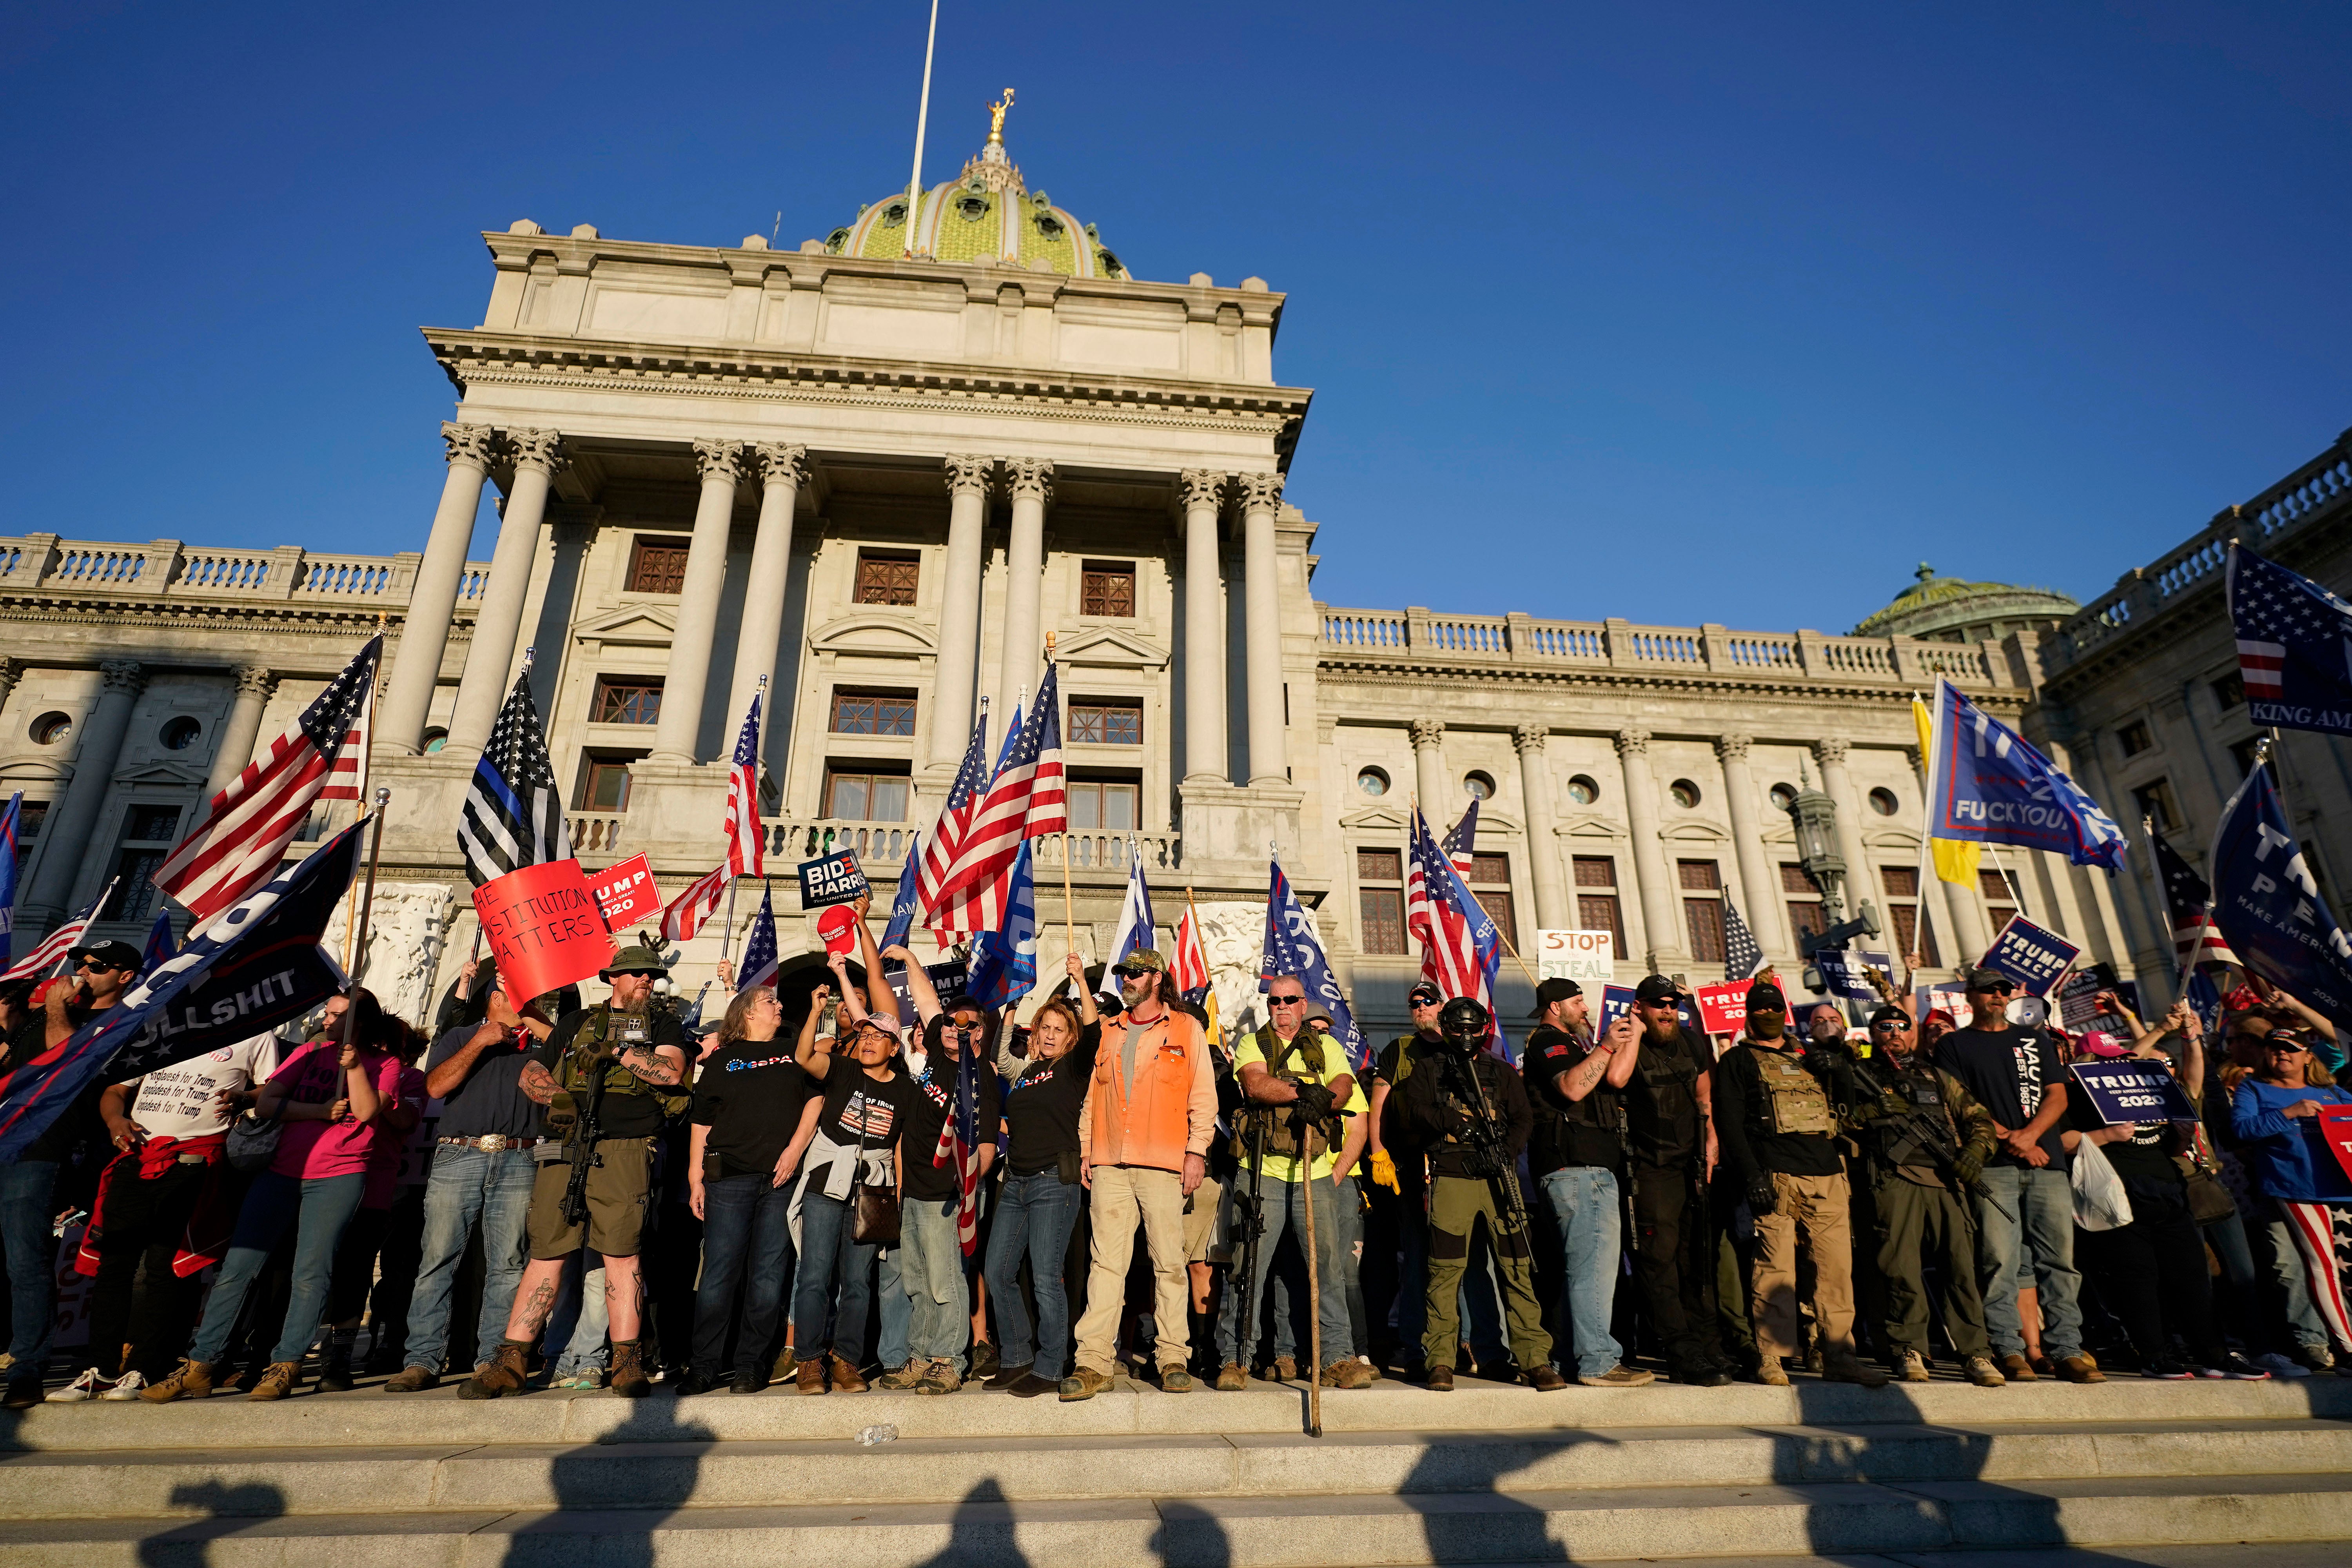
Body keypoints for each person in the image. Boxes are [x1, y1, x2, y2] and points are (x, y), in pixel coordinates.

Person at [143, 990, 407, 1403]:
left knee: (311, 1272)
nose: (325, 1019)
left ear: (358, 1024)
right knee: (238, 1268)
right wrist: (317, 1111)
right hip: (282, 1171)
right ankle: (201, 1364)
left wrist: (355, 1068)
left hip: (338, 1175)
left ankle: (287, 1362)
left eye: (336, 1015)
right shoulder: (307, 1054)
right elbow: (266, 1102)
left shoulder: (386, 1063)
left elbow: (370, 1110)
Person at [458, 944, 688, 1400]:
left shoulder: (664, 1023)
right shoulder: (576, 1022)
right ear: (612, 978)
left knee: (622, 1254)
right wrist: (556, 1097)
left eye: (650, 974)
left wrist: (619, 1052)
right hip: (565, 1145)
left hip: (625, 1147)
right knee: (547, 1251)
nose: (646, 979)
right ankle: (511, 1360)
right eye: (635, 973)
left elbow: (671, 1074)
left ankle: (626, 1361)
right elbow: (532, 1073)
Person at [45, 1026, 279, 1402]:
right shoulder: (165, 1023)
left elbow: (273, 1088)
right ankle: (102, 1370)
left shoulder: (255, 1031)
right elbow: (116, 1090)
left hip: (194, 1161)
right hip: (135, 1158)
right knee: (115, 1266)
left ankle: (149, 1366)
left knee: (166, 1265)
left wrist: (243, 1096)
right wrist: (115, 1121)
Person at [1711, 977, 1887, 1388]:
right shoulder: (1738, 1061)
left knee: (1835, 1271)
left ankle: (1839, 1353)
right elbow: (1731, 1124)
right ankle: (1772, 1357)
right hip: (1776, 1175)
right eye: (1760, 1009)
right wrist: (1752, 1174)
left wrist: (1839, 1070)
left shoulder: (1810, 1055)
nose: (1768, 1015)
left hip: (1827, 1173)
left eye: (1775, 1009)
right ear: (1749, 1015)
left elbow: (1845, 1113)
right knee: (1775, 1270)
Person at [384, 968, 553, 1392]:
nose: (532, 1001)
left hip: (520, 1155)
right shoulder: (460, 1036)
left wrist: (532, 1016)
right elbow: (436, 1087)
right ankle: (422, 1358)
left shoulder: (541, 1042)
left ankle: (493, 1359)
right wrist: (480, 1041)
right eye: (521, 994)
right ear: (497, 997)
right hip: (459, 1152)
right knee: (438, 1259)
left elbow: (568, 1050)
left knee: (507, 1264)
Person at [1935, 966, 2103, 1385]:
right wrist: (2012, 1139)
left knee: (2060, 1262)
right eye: (1988, 990)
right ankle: (2007, 1348)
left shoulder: (2035, 1039)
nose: (1997, 996)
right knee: (2000, 1260)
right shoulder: (1953, 1044)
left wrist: (2029, 1137)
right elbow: (1958, 1103)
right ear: (1969, 996)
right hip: (1994, 1167)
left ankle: (2066, 1349)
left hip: (2046, 1165)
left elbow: (2057, 1094)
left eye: (2003, 990)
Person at [2065, 1028, 2264, 1379]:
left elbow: (2168, 1146)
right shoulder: (2075, 1094)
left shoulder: (2147, 1090)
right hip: (2117, 1194)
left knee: (2191, 1276)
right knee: (2138, 1278)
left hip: (2168, 1189)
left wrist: (2182, 1138)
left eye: (2120, 1058)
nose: (2118, 1065)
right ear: (2087, 1064)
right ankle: (2154, 1354)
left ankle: (2214, 1353)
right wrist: (2106, 1135)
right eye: (2107, 1060)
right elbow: (2063, 1141)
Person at [1389, 997, 1564, 1392]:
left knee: (1517, 1268)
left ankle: (1535, 1358)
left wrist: (1508, 1148)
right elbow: (1412, 1111)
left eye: (1473, 1028)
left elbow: (1523, 1118)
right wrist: (1450, 1120)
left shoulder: (1501, 1072)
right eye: (1457, 1028)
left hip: (1499, 1180)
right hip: (1452, 1177)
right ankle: (1440, 1359)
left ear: (1484, 1028)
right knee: (1445, 1272)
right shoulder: (1428, 1070)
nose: (1466, 1037)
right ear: (1446, 1029)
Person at [1064, 949, 1216, 1401]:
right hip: (1111, 1162)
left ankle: (1173, 1357)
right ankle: (1093, 1360)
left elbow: (1203, 1097)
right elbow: (1093, 1097)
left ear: (1157, 978)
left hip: (1165, 1163)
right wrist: (1088, 1151)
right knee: (1106, 1264)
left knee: (1169, 1263)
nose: (1127, 980)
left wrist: (1197, 1152)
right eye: (1123, 974)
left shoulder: (1187, 1028)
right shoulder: (1109, 1031)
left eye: (1134, 973)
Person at [1212, 972, 1370, 1392]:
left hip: (1314, 1173)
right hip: (1262, 1170)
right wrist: (1304, 1094)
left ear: (1304, 1005)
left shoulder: (1327, 1046)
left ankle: (1337, 1356)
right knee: (1249, 1269)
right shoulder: (1254, 1042)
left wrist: (1325, 1097)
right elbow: (1255, 1082)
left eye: (1290, 999)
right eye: (1275, 999)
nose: (1281, 1005)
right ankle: (1236, 1357)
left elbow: (1344, 1084)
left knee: (1328, 1270)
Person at [3, 942, 139, 1408]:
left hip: (42, 1149)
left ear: (124, 976)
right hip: (6, 1136)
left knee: (26, 1260)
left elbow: (71, 1065)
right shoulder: (44, 1015)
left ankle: (27, 1366)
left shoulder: (116, 1022)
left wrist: (60, 1009)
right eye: (81, 963)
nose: (82, 971)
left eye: (96, 967)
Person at [1853, 1003, 2005, 1387]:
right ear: (1873, 1033)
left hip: (1945, 1180)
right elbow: (1834, 1119)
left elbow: (1980, 1120)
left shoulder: (1937, 1076)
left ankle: (1975, 1352)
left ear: (1914, 1032)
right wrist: (1869, 1110)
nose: (1894, 1033)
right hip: (1894, 1178)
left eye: (1902, 1026)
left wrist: (1975, 1152)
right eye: (1884, 1026)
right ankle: (1910, 1347)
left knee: (1960, 1269)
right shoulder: (1859, 1074)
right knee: (1900, 1268)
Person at [679, 982, 814, 1395]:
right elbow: (702, 1121)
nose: (779, 1005)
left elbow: (815, 1101)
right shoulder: (722, 1060)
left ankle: (750, 1365)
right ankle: (703, 1366)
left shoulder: (795, 1051)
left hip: (779, 1180)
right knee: (719, 1275)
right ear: (746, 1014)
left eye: (777, 999)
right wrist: (694, 1175)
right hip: (728, 1179)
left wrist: (794, 1150)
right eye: (769, 1001)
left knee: (768, 1277)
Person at [876, 953, 999, 1395]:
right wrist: (909, 958)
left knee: (945, 1281)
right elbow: (928, 1001)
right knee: (917, 1281)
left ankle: (949, 1359)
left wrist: (964, 1189)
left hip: (948, 1197)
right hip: (914, 1192)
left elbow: (984, 1148)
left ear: (979, 1032)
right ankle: (923, 1354)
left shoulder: (979, 1075)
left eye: (964, 1023)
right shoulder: (936, 1054)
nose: (952, 1027)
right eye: (949, 1022)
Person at [1520, 976, 1651, 1387]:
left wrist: (1633, 1033)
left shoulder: (1575, 1044)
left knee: (1576, 1270)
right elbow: (1573, 1086)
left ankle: (1569, 1357)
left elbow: (1614, 1079)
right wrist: (1609, 1044)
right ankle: (1598, 1359)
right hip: (1577, 1170)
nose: (1586, 1008)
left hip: (1585, 1171)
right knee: (1592, 1268)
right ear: (1556, 1007)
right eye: (1578, 1002)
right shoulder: (1548, 1041)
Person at [983, 954, 1099, 1397]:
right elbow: (1000, 1057)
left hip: (1055, 1181)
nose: (1050, 1034)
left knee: (1048, 1277)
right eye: (1044, 1028)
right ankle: (1017, 1356)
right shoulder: (1028, 1071)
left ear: (1068, 1038)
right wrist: (1012, 1009)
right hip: (1016, 1182)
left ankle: (1051, 1365)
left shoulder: (1073, 1069)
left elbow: (1093, 1031)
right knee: (999, 1272)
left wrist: (1080, 982)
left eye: (1058, 1029)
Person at [789, 984, 914, 1395]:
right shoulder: (843, 1070)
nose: (869, 1041)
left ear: (895, 1047)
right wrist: (815, 1011)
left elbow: (899, 1145)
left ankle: (846, 1361)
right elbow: (804, 1057)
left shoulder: (905, 1090)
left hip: (872, 1191)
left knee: (858, 1283)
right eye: (865, 1035)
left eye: (879, 1037)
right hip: (826, 1183)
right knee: (814, 1276)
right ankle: (809, 1362)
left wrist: (897, 1194)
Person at [1618, 975, 1733, 1386]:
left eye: (1673, 1004)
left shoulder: (1692, 1041)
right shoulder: (1628, 1040)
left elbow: (1704, 1097)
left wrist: (1712, 1138)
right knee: (1659, 1263)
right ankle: (1682, 1352)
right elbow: (1616, 1080)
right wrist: (1631, 1034)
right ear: (1640, 1006)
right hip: (1651, 1170)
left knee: (1696, 1260)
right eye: (1659, 1003)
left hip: (1691, 1166)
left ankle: (1708, 1344)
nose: (1668, 1010)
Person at [2229, 1028, 2352, 1357]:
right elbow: (2242, 1129)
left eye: (2291, 1049)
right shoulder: (2253, 1088)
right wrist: (2290, 1113)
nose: (2282, 1054)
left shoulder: (2333, 1093)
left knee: (2341, 1270)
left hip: (2342, 1190)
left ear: (2308, 1056)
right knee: (2319, 1266)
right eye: (2275, 1048)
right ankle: (2343, 1346)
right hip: (2296, 1188)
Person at [318, 1022, 426, 1388]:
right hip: (328, 1176)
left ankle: (360, 1353)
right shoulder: (341, 1071)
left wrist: (383, 1093)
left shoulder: (409, 1078)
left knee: (374, 1270)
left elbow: (404, 1119)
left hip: (385, 1186)